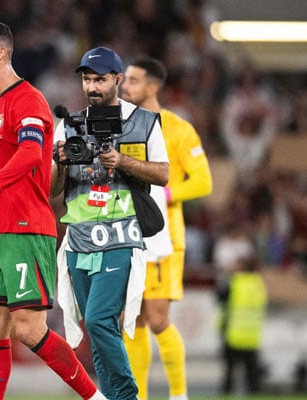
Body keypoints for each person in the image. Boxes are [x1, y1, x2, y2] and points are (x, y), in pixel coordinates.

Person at [0, 21, 104, 400]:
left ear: (0, 53)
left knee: (28, 328)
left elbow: (30, 152)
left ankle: (96, 397)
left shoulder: (27, 99)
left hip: (24, 227)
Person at [51, 46, 169, 400]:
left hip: (121, 234)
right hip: (80, 239)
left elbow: (163, 175)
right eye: (87, 79)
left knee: (102, 320)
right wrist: (58, 163)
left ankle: (128, 396)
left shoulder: (145, 122)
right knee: (96, 327)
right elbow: (54, 192)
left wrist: (123, 162)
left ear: (118, 79)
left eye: (100, 79)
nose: (92, 87)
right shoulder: (69, 123)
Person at [120, 57, 213, 400]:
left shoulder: (178, 128)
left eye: (132, 80)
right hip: (126, 235)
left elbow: (203, 181)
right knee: (133, 318)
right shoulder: (122, 125)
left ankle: (178, 394)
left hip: (163, 236)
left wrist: (164, 193)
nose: (124, 86)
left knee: (157, 317)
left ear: (152, 87)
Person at [216, 251, 267, 394]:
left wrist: (225, 275)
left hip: (234, 331)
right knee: (252, 371)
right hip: (252, 333)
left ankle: (227, 393)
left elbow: (220, 297)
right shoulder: (258, 282)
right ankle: (255, 394)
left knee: (229, 371)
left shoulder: (234, 282)